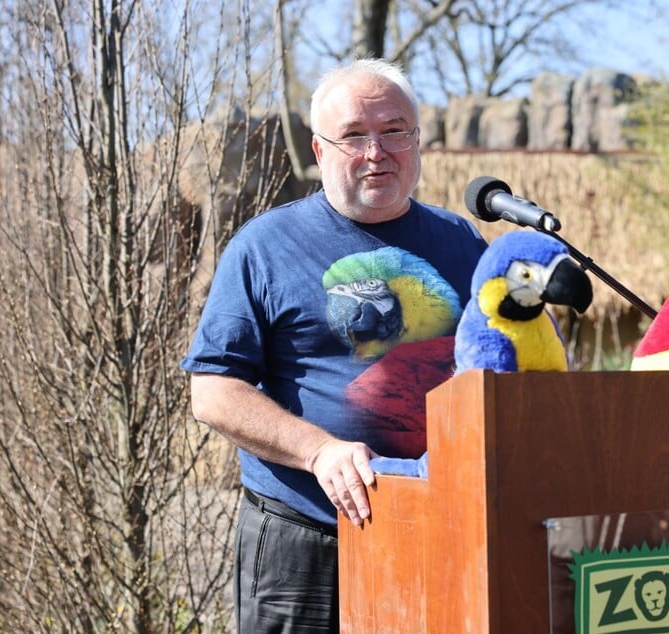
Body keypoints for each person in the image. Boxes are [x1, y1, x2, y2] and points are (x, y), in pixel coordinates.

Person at [181, 57, 488, 632]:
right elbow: (213, 393)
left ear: (418, 141)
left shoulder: (463, 241)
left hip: (436, 529)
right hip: (304, 540)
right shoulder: (264, 247)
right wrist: (319, 451)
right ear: (321, 151)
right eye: (354, 135)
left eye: (394, 130)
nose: (377, 151)